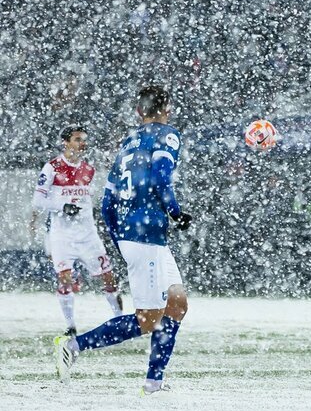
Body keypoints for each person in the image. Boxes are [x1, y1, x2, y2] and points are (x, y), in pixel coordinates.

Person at [54, 86, 193, 394]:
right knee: (148, 319)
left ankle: (154, 381)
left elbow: (107, 201)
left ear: (138, 111)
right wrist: (174, 211)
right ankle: (74, 346)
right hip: (146, 235)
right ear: (167, 108)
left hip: (138, 235)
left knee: (178, 302)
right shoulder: (168, 134)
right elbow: (161, 175)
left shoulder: (128, 142)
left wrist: (121, 238)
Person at [32, 125, 123, 335]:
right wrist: (62, 207)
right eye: (78, 139)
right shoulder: (52, 167)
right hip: (63, 236)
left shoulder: (89, 169)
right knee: (65, 279)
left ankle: (120, 321)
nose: (83, 143)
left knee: (109, 278)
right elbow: (37, 201)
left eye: (84, 140)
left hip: (88, 235)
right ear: (66, 142)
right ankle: (70, 327)